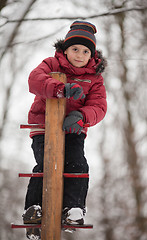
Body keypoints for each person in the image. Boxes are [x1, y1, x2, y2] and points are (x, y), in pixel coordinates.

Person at [22, 20, 107, 239]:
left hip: (73, 130)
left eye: (85, 51)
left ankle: (73, 208)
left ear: (92, 54)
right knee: (46, 164)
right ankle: (33, 209)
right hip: (43, 126)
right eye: (75, 49)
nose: (80, 54)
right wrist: (60, 88)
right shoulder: (51, 65)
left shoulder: (95, 78)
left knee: (77, 164)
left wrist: (81, 116)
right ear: (65, 49)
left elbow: (99, 106)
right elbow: (34, 80)